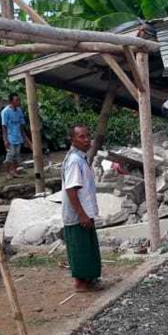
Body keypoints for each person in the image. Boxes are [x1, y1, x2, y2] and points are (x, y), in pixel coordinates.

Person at [61, 125, 102, 292]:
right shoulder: (74, 161)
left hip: (85, 212)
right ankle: (81, 282)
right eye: (82, 137)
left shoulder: (81, 158)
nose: (87, 140)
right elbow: (71, 190)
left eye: (88, 136)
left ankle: (89, 279)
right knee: (80, 248)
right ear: (73, 140)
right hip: (77, 214)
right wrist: (82, 215)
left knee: (88, 247)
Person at [1, 93, 30, 178]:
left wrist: (24, 138)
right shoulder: (5, 112)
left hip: (18, 136)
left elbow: (21, 125)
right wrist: (5, 139)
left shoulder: (19, 111)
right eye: (16, 100)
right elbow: (4, 127)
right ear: (11, 101)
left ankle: (14, 171)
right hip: (10, 137)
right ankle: (8, 173)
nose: (18, 102)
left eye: (18, 100)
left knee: (17, 156)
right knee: (10, 156)